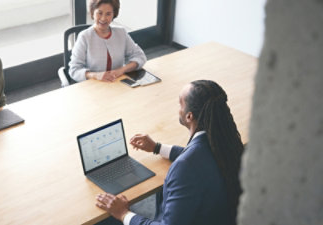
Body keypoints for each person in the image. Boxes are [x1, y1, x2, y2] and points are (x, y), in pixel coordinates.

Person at [96, 80, 244, 225]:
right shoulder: (227, 140)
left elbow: (190, 164)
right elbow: (200, 158)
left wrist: (123, 214)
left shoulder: (184, 168)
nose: (178, 107)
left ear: (189, 116)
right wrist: (157, 147)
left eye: (180, 103)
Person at [69, 0, 146, 82]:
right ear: (93, 13)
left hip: (118, 82)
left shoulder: (121, 33)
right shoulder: (84, 37)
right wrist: (95, 75)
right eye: (100, 13)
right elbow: (74, 70)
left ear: (114, 15)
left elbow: (139, 56)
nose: (103, 18)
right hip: (94, 85)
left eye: (108, 14)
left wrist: (122, 70)